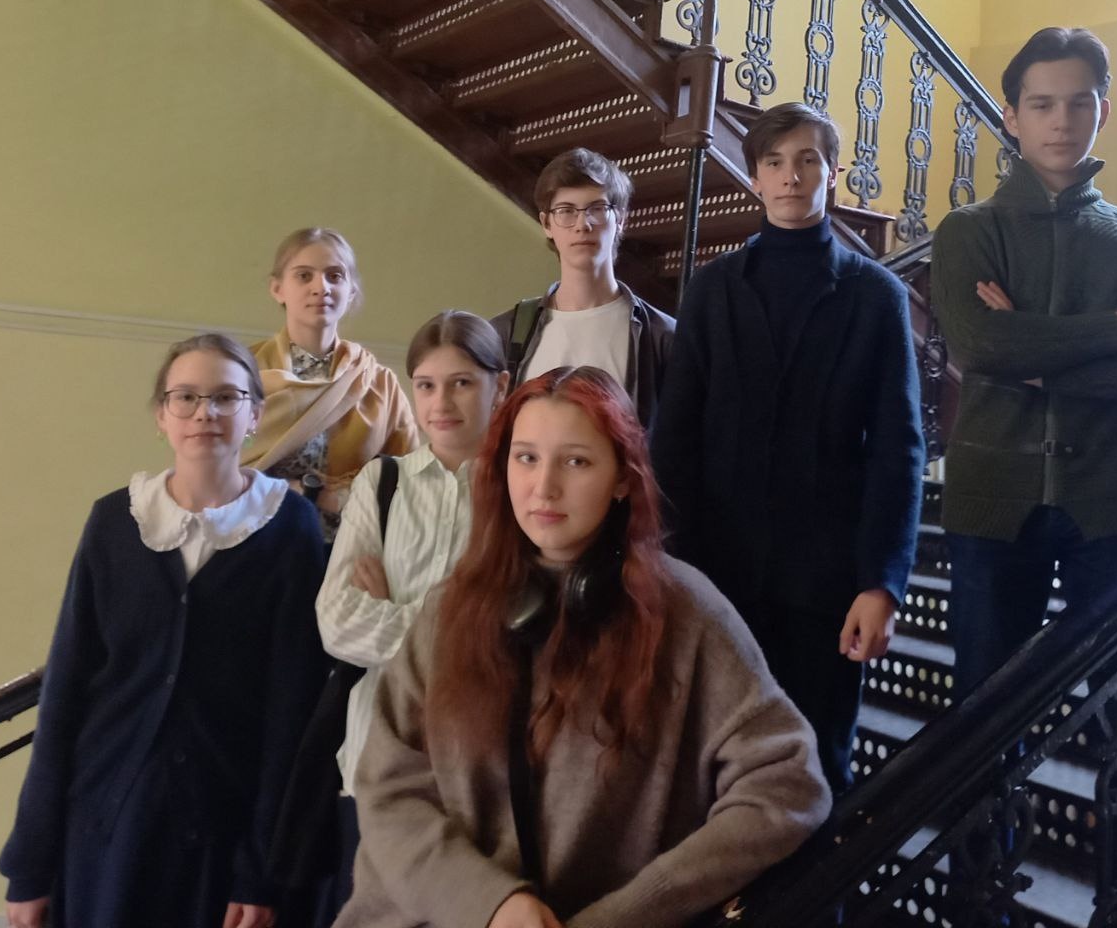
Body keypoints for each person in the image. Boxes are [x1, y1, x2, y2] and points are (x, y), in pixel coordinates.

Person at [334, 367, 831, 928]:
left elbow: (789, 785)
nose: (543, 487)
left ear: (622, 478)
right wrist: (489, 903)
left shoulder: (687, 614)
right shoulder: (450, 608)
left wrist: (632, 912)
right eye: (526, 458)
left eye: (575, 462)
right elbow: (388, 789)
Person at [930, 26, 1117, 909]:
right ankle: (980, 906)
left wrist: (1040, 358)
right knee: (984, 724)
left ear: (1103, 110)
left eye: (1079, 102)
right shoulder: (968, 232)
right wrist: (1116, 331)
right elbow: (980, 346)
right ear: (1012, 117)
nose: (1061, 121)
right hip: (992, 506)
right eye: (1042, 104)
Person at [1, 334, 327, 928]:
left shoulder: (290, 528)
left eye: (226, 397)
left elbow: (292, 712)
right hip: (106, 826)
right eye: (186, 397)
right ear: (162, 415)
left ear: (255, 414)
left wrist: (262, 869)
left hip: (225, 837)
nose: (205, 413)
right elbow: (66, 691)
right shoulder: (114, 521)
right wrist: (30, 863)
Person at [651, 102, 925, 798]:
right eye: (774, 162)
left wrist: (882, 583)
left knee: (818, 766)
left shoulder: (876, 297)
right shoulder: (712, 290)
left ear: (833, 173)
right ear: (754, 178)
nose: (791, 176)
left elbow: (898, 449)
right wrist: (660, 562)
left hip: (826, 584)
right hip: (714, 576)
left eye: (808, 160)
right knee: (707, 761)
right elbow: (675, 437)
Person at [312, 310, 509, 911]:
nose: (440, 402)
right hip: (376, 755)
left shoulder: (519, 492)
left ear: (500, 386)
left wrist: (396, 610)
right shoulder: (382, 483)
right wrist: (456, 629)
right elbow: (336, 621)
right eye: (426, 385)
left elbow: (510, 635)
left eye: (462, 383)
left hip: (479, 762)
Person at [244, 228, 418, 543]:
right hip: (255, 546)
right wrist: (296, 491)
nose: (320, 287)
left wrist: (334, 498)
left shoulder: (379, 383)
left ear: (350, 292)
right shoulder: (243, 373)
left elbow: (409, 480)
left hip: (352, 550)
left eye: (335, 276)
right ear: (277, 289)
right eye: (304, 276)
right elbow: (214, 464)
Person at [491, 149, 674, 431]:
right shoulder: (505, 333)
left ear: (620, 219)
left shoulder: (662, 338)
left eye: (597, 209)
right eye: (566, 211)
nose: (582, 224)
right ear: (546, 224)